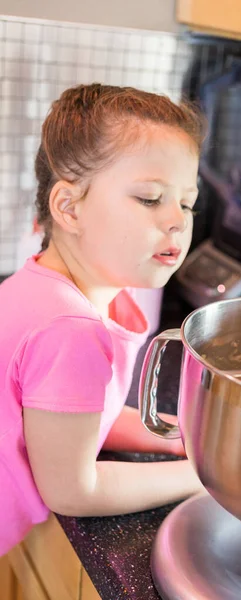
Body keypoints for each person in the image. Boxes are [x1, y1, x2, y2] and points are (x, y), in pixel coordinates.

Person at [0, 83, 206, 556]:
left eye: (187, 202)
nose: (176, 220)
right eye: (151, 198)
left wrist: (182, 438)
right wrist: (200, 476)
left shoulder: (45, 289)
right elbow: (73, 489)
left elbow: (79, 419)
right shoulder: (70, 329)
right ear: (69, 208)